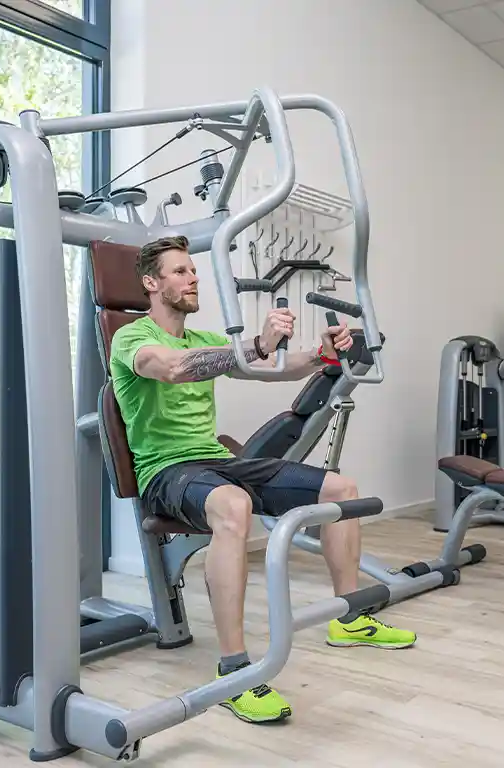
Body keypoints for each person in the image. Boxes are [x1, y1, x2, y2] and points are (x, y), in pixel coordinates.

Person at [110, 235, 416, 724]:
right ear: (151, 283)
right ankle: (233, 670)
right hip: (166, 471)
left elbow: (274, 368)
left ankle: (349, 618)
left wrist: (319, 355)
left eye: (194, 270)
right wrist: (255, 343)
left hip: (217, 462)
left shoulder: (206, 340)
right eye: (180, 271)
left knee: (340, 489)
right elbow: (172, 369)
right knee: (234, 505)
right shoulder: (132, 338)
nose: (193, 279)